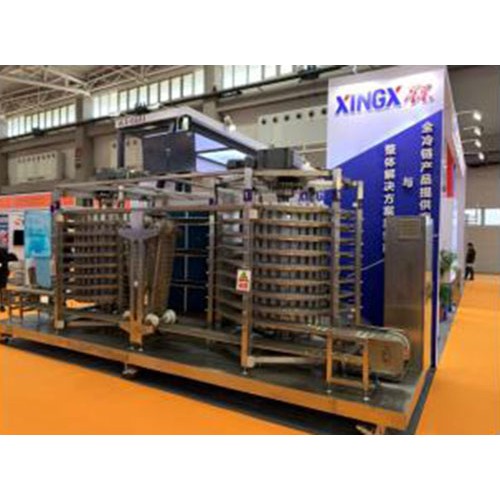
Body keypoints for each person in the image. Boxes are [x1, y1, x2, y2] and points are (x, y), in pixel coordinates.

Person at [0, 247, 18, 312]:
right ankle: (2, 305)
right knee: (2, 290)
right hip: (4, 274)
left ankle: (2, 305)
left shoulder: (2, 252)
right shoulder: (4, 252)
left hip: (3, 274)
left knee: (2, 290)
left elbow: (3, 263)